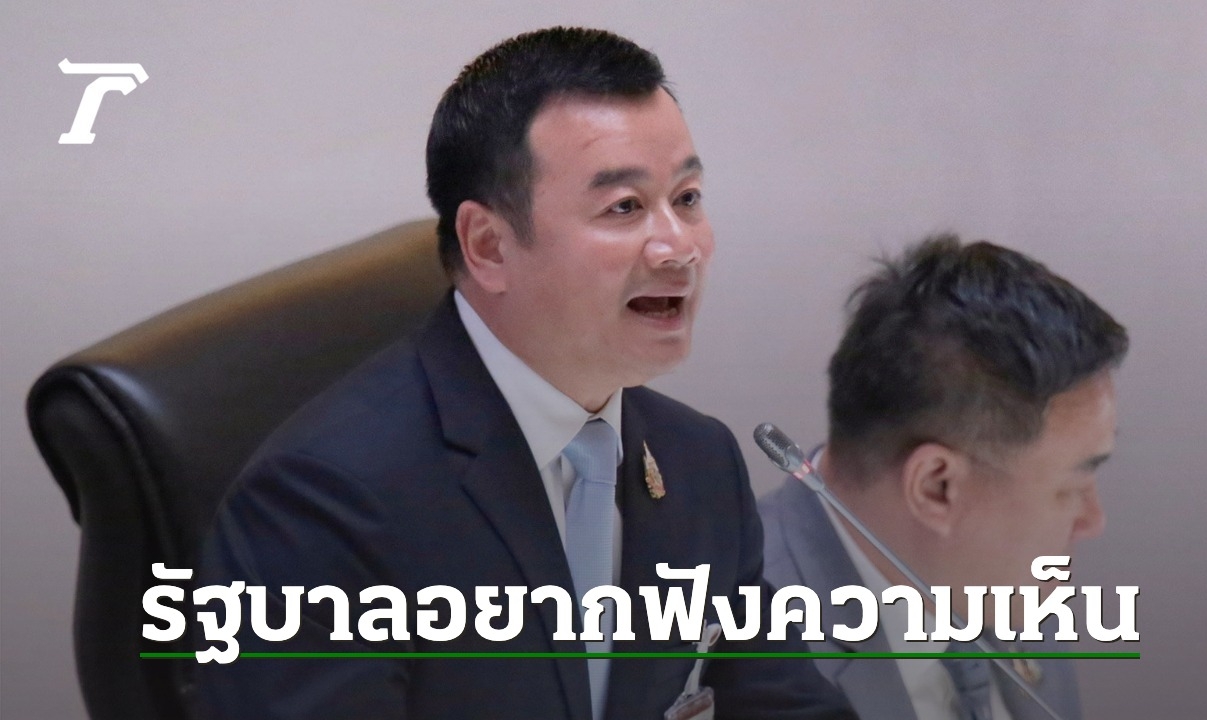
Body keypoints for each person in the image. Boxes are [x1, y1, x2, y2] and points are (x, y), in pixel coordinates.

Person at [196, 27, 855, 720]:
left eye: (687, 198)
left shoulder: (700, 464)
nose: (680, 247)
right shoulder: (322, 504)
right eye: (624, 207)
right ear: (489, 246)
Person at [760, 235, 1129, 720]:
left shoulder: (1002, 585)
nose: (1093, 521)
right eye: (1070, 489)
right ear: (937, 488)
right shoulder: (733, 647)